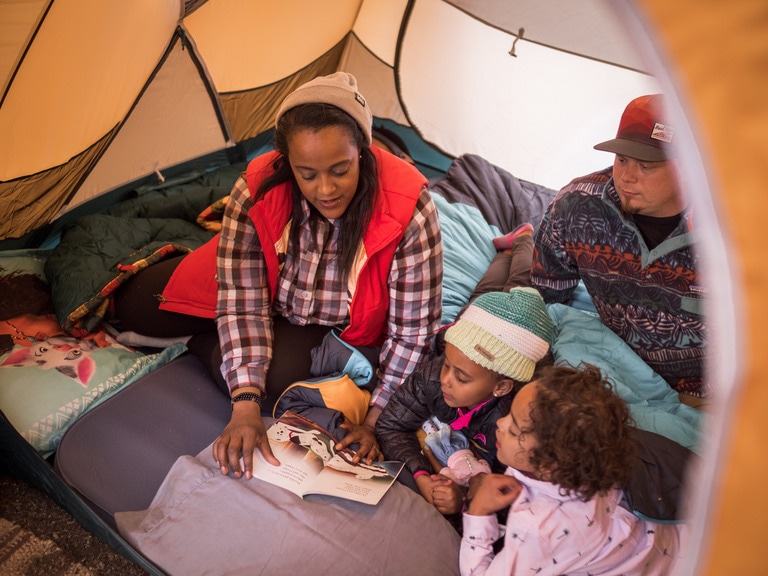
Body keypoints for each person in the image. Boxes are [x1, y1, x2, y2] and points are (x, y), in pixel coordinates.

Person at [203, 72, 443, 478]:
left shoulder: (409, 208)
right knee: (143, 307)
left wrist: (375, 421)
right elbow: (243, 301)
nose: (326, 189)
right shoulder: (256, 190)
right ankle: (213, 345)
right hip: (280, 314)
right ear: (287, 164)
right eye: (308, 174)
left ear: (363, 154)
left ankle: (215, 351)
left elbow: (413, 333)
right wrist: (244, 406)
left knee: (281, 378)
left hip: (349, 337)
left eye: (340, 169)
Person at [530, 94, 706, 408]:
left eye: (646, 165)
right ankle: (519, 241)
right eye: (621, 158)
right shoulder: (577, 205)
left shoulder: (733, 233)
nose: (626, 176)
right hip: (616, 367)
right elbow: (545, 295)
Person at [460, 363, 688, 575]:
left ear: (549, 465)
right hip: (676, 540)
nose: (500, 423)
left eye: (514, 430)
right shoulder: (601, 443)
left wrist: (479, 511)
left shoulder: (537, 527)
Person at [376, 286, 554, 518]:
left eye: (461, 377)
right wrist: (421, 476)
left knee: (528, 273)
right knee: (487, 287)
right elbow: (390, 425)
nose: (445, 380)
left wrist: (464, 501)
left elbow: (513, 490)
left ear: (501, 387)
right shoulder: (432, 375)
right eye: (446, 364)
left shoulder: (514, 420)